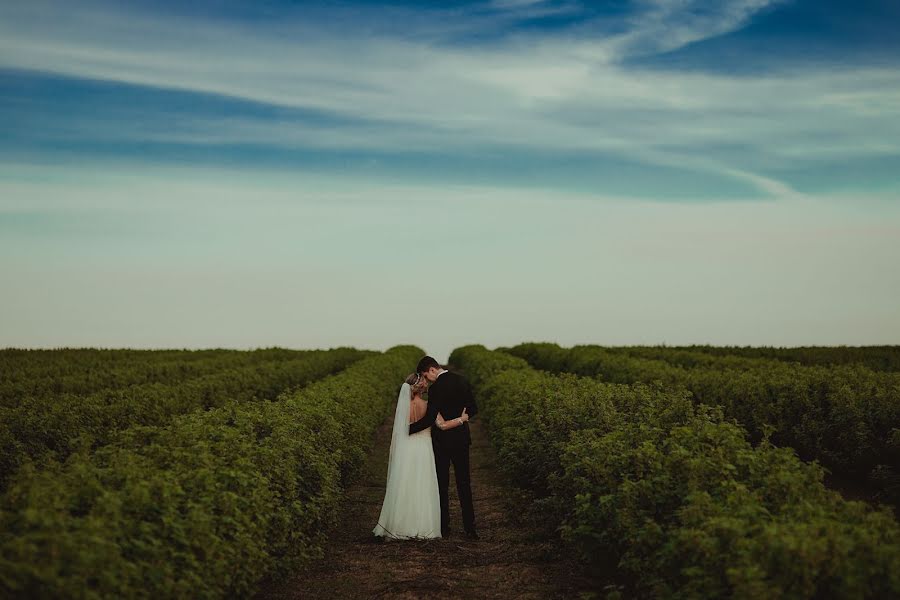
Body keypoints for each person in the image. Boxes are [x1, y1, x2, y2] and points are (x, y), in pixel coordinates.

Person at [373, 372, 469, 540]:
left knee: (405, 485)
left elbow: (399, 431)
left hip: (407, 448)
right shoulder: (427, 405)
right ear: (422, 387)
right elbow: (442, 425)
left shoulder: (403, 407)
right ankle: (422, 526)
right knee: (423, 486)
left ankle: (399, 525)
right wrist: (462, 419)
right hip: (424, 448)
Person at [408, 356, 479, 540]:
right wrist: (462, 419)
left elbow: (430, 419)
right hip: (462, 440)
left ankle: (444, 527)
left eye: (426, 375)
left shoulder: (436, 388)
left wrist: (407, 430)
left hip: (442, 443)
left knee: (442, 485)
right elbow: (474, 408)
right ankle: (470, 528)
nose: (427, 380)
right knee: (464, 483)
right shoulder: (462, 380)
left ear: (432, 370)